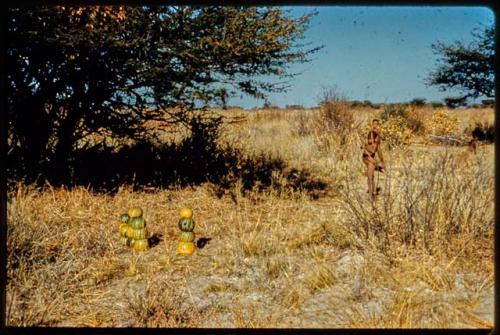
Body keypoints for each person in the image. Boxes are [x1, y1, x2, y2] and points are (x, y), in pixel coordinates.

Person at [362, 119, 385, 200]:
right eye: (373, 124)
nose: (375, 126)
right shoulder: (369, 133)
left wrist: (382, 162)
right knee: (370, 176)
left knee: (371, 176)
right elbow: (366, 146)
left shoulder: (378, 137)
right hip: (367, 156)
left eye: (377, 124)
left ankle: (372, 194)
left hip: (371, 157)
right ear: (371, 125)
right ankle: (371, 195)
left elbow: (382, 139)